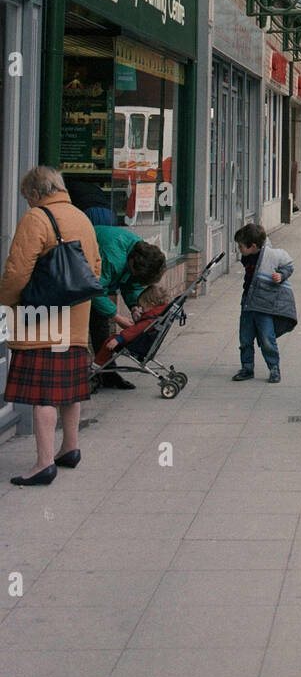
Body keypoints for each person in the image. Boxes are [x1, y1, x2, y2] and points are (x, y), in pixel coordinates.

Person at [1, 167, 102, 485]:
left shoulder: (36, 218)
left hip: (41, 318)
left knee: (43, 393)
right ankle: (70, 448)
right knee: (67, 390)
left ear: (34, 193)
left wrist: (5, 303)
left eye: (26, 197)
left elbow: (18, 271)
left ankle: (44, 463)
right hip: (74, 318)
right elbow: (95, 267)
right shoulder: (81, 217)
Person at [90, 224, 167, 389]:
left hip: (94, 280)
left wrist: (134, 307)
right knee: (98, 319)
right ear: (132, 265)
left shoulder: (139, 252)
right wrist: (116, 316)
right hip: (81, 277)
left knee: (100, 321)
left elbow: (131, 284)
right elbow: (95, 290)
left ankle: (107, 374)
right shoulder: (113, 257)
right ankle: (98, 374)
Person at [232, 223, 297, 383]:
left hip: (265, 305)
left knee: (268, 338)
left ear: (253, 246)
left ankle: (274, 368)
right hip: (248, 302)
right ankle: (247, 367)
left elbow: (289, 266)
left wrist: (281, 275)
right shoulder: (246, 256)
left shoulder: (272, 256)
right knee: (245, 339)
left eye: (241, 246)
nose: (239, 249)